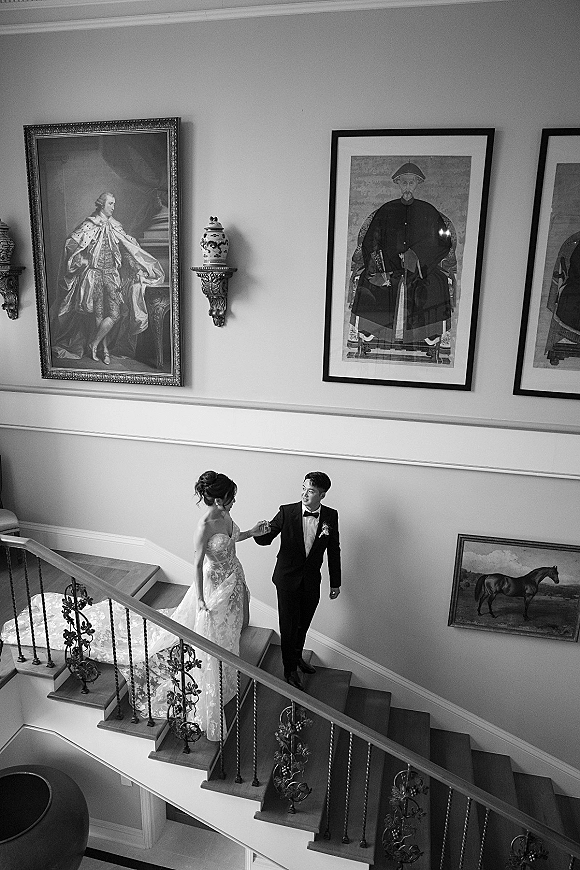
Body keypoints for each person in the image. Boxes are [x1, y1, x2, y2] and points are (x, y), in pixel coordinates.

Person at [0, 471, 268, 742]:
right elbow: (197, 566)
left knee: (228, 631)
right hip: (212, 588)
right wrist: (199, 599)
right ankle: (210, 678)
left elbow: (232, 539)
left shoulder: (226, 516)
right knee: (210, 635)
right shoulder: (204, 526)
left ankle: (225, 672)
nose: (234, 502)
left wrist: (251, 533)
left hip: (232, 581)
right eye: (231, 498)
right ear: (220, 500)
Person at [348, 162, 456, 356]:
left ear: (417, 184)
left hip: (422, 268)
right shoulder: (386, 211)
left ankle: (429, 338)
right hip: (388, 266)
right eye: (404, 182)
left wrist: (416, 256)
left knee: (435, 284)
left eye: (411, 182)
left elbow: (443, 242)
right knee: (371, 283)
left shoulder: (428, 211)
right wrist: (382, 267)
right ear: (398, 183)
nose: (407, 186)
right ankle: (368, 336)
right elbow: (370, 241)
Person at [52, 192, 164, 365]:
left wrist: (138, 268)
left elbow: (127, 251)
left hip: (112, 275)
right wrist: (83, 260)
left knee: (114, 314)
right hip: (94, 275)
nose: (113, 207)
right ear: (101, 205)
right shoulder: (89, 225)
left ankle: (94, 343)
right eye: (110, 203)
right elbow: (71, 246)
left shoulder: (115, 227)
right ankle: (104, 350)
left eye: (114, 204)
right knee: (99, 314)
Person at [255, 472, 341, 690]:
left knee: (304, 622)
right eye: (303, 488)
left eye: (310, 491)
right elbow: (267, 538)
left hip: (311, 580)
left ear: (322, 494)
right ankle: (289, 668)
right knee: (289, 624)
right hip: (286, 579)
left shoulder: (331, 516)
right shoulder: (287, 511)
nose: (304, 494)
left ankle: (297, 656)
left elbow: (333, 550)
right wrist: (259, 533)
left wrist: (335, 582)